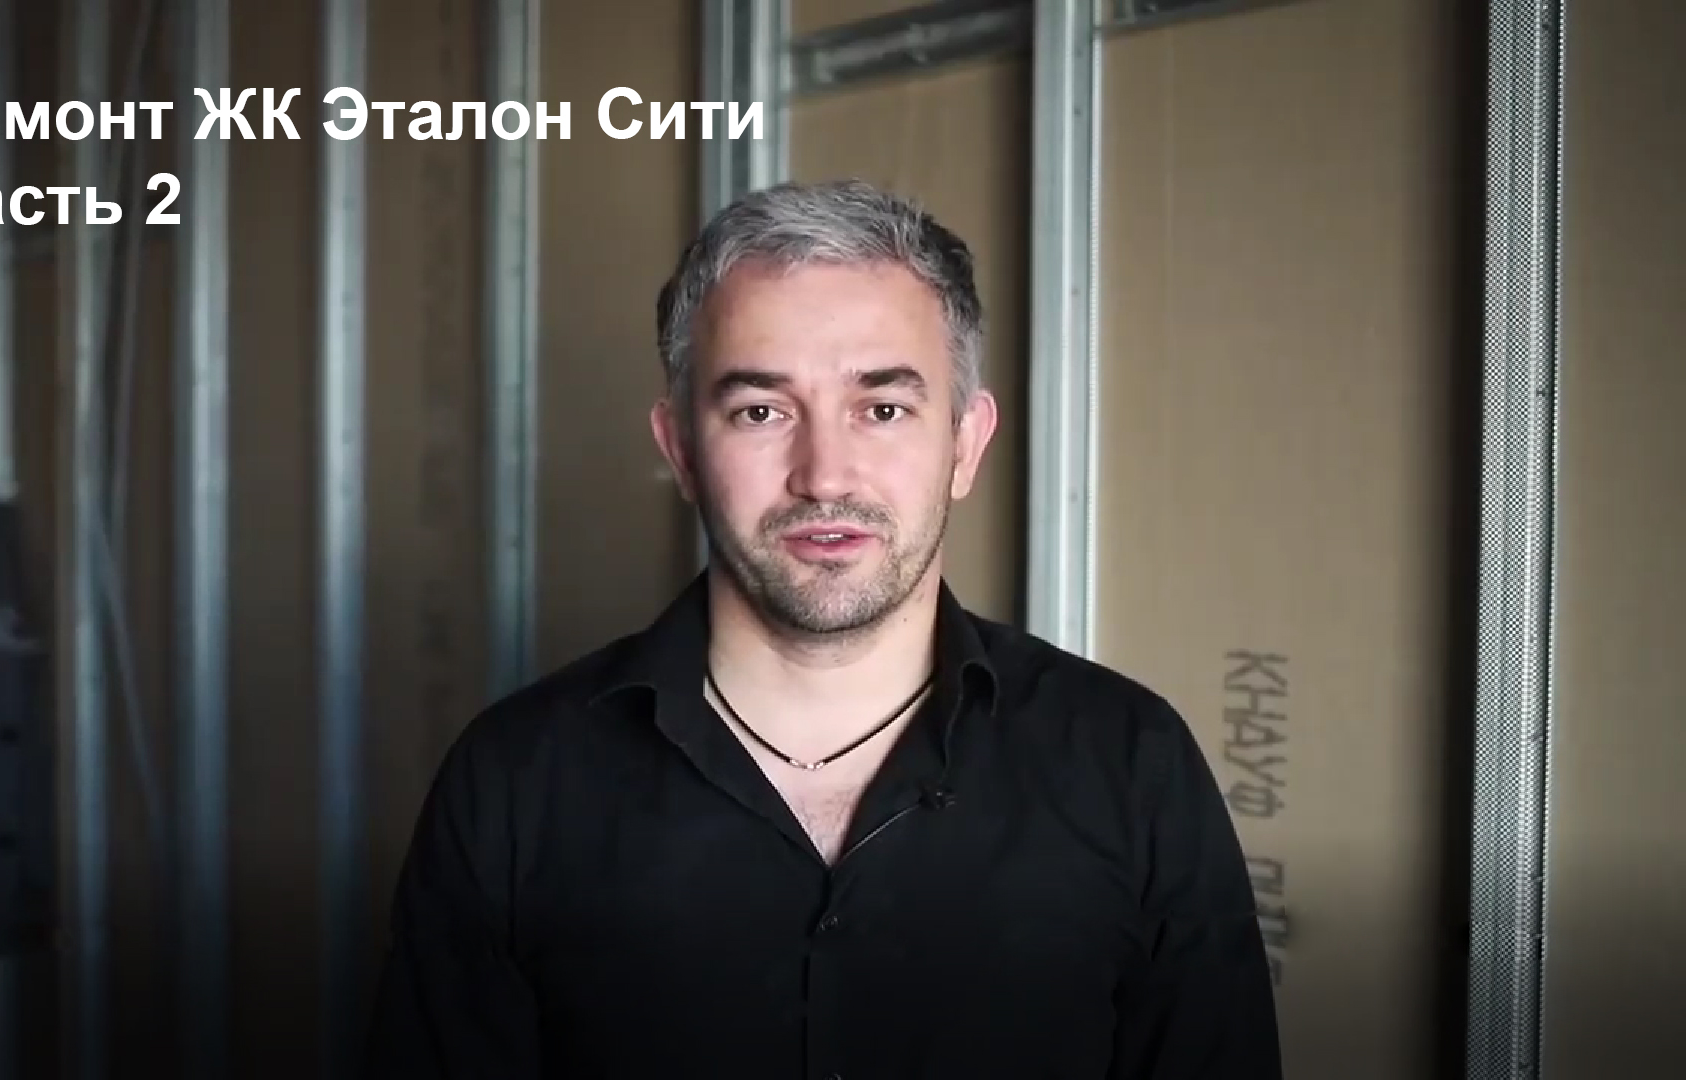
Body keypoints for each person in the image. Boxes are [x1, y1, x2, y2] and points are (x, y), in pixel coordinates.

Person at [365, 178, 1281, 1079]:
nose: (825, 475)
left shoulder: (1131, 765)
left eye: (882, 409)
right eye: (761, 412)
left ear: (965, 444)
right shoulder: (514, 785)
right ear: (681, 450)